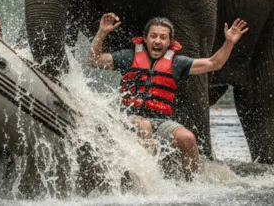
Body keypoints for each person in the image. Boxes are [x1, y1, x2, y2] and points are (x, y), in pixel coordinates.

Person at [86, 13, 248, 179]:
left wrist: (229, 42)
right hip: (129, 118)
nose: (157, 41)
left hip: (161, 121)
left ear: (170, 42)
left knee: (187, 137)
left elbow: (214, 63)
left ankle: (193, 183)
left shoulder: (178, 63)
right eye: (153, 36)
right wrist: (102, 32)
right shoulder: (128, 57)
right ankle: (152, 180)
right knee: (144, 126)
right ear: (145, 39)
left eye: (163, 37)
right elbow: (93, 61)